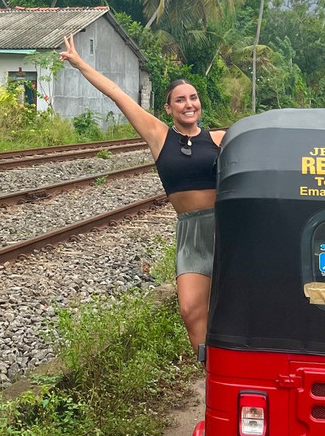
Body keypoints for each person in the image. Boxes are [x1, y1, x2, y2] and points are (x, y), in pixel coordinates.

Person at [59, 34, 224, 350]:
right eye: (180, 99)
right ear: (168, 107)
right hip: (191, 233)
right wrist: (80, 64)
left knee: (229, 310)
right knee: (190, 310)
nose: (189, 103)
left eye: (193, 97)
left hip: (224, 228)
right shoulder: (159, 136)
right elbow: (117, 93)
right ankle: (209, 374)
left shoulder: (219, 139)